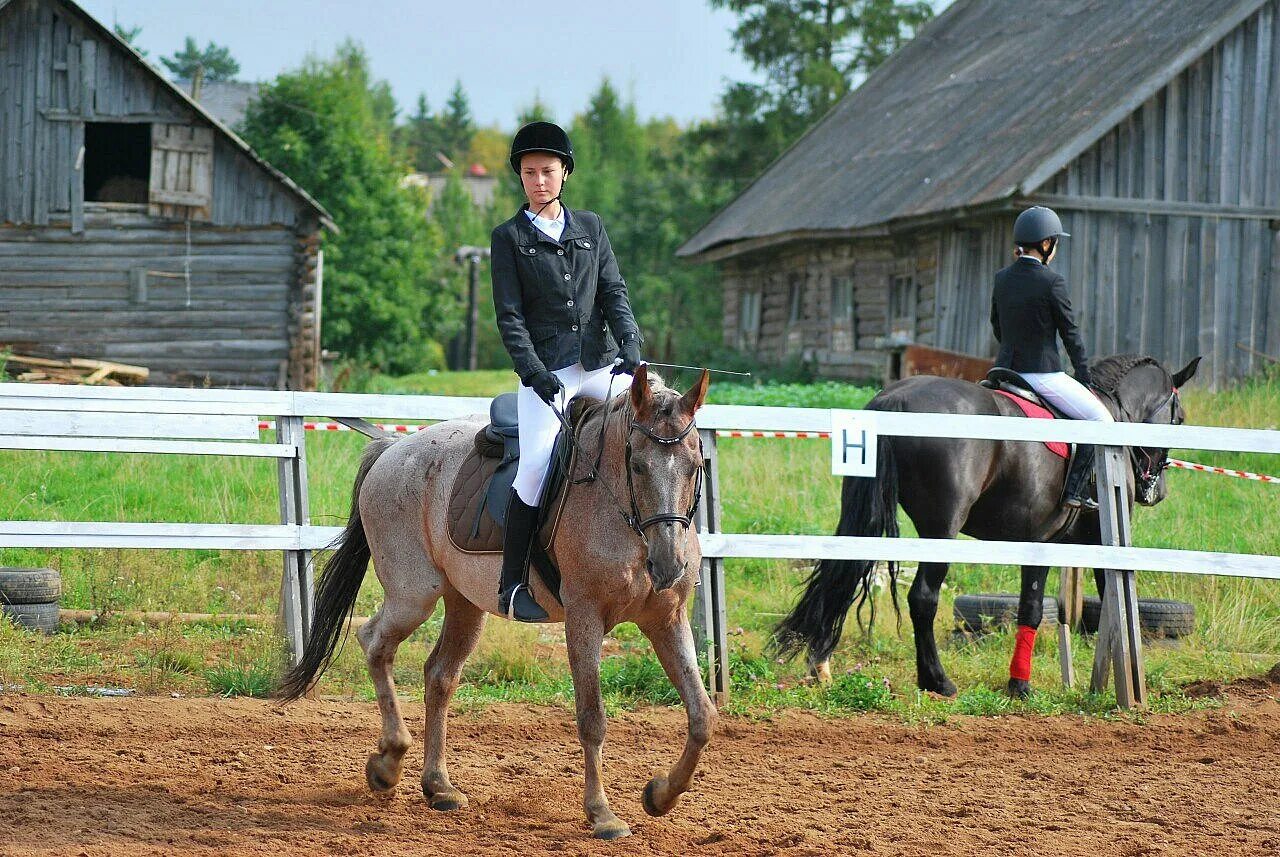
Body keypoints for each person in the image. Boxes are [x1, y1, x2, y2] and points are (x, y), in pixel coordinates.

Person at [490, 121, 644, 621]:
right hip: (547, 374)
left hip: (599, 366)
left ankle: (669, 547)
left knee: (658, 424)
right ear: (521, 177)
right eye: (530, 172)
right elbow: (510, 318)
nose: (539, 180)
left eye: (547, 171)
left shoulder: (591, 228)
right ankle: (512, 585)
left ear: (564, 174)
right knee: (535, 466)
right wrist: (533, 372)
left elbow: (614, 293)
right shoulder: (508, 238)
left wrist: (632, 347)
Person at [990, 205, 1111, 510]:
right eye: (1054, 242)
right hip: (1042, 375)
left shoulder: (1002, 278)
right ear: (1046, 244)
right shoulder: (1051, 281)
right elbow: (1070, 334)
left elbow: (997, 326)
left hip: (1003, 371)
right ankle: (1075, 490)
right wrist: (1085, 378)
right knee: (1101, 419)